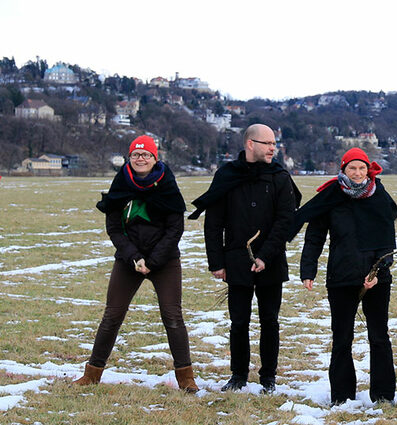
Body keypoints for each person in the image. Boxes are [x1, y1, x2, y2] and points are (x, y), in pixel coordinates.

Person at [75, 136, 197, 392]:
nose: (141, 159)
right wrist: (134, 257)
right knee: (112, 316)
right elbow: (114, 228)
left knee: (172, 317)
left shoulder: (168, 186)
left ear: (155, 158)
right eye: (135, 154)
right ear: (129, 157)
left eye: (146, 155)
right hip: (128, 260)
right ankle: (92, 373)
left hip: (164, 261)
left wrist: (153, 261)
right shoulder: (120, 184)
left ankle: (186, 379)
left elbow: (175, 229)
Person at [189, 124, 301, 394]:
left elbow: (285, 221)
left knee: (269, 322)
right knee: (238, 322)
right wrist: (216, 262)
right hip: (236, 260)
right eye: (267, 143)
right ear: (250, 144)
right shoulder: (227, 175)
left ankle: (268, 377)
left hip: (271, 261)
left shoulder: (279, 177)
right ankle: (238, 375)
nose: (273, 148)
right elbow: (213, 223)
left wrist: (265, 255)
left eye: (275, 143)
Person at [294, 148, 397, 406]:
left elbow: (388, 240)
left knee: (379, 336)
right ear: (343, 170)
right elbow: (315, 236)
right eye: (352, 168)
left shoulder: (379, 195)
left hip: (376, 279)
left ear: (368, 170)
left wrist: (380, 271)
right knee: (342, 337)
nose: (358, 173)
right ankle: (342, 395)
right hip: (341, 277)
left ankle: (383, 395)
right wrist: (308, 270)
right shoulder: (331, 197)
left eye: (362, 168)